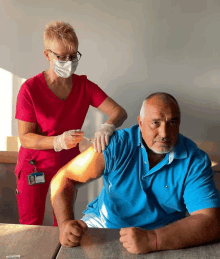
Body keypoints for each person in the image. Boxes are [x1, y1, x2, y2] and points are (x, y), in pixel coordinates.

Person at [51, 92, 220, 254]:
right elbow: (64, 178)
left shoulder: (194, 160)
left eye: (173, 122)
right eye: (155, 123)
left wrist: (153, 239)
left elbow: (210, 221)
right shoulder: (117, 144)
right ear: (140, 123)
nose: (164, 133)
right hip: (103, 225)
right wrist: (65, 223)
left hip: (162, 234)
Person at [15, 21, 127, 226]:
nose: (68, 61)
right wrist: (57, 141)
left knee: (65, 225)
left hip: (66, 164)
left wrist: (107, 127)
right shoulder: (30, 89)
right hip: (35, 165)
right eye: (61, 56)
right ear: (47, 55)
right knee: (30, 225)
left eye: (73, 55)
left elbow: (119, 112)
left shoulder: (84, 86)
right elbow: (25, 137)